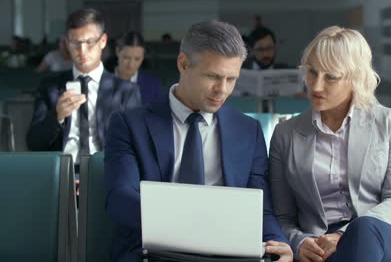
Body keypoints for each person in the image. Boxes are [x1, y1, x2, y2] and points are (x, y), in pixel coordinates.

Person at [104, 20, 293, 262]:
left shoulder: (249, 130)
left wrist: (279, 245)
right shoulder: (129, 125)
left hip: (228, 254)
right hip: (156, 252)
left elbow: (262, 208)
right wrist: (195, 225)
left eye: (231, 79)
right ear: (183, 63)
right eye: (213, 76)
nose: (222, 90)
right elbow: (119, 199)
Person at [269, 26, 391, 262]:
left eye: (331, 77)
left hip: (389, 240)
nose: (316, 86)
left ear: (356, 78)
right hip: (323, 247)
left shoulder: (388, 122)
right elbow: (283, 216)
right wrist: (299, 242)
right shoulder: (286, 134)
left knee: (363, 230)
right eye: (312, 72)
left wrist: (345, 233)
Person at [27, 8, 141, 170]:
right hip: (61, 174)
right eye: (75, 43)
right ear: (67, 43)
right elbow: (34, 144)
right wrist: (57, 117)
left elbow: (135, 146)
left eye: (89, 42)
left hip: (105, 172)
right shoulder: (49, 87)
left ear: (103, 41)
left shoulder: (126, 91)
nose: (82, 51)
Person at [115, 31, 163, 104]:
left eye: (137, 59)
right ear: (117, 51)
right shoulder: (99, 82)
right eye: (126, 58)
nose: (131, 64)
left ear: (143, 56)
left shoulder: (153, 86)